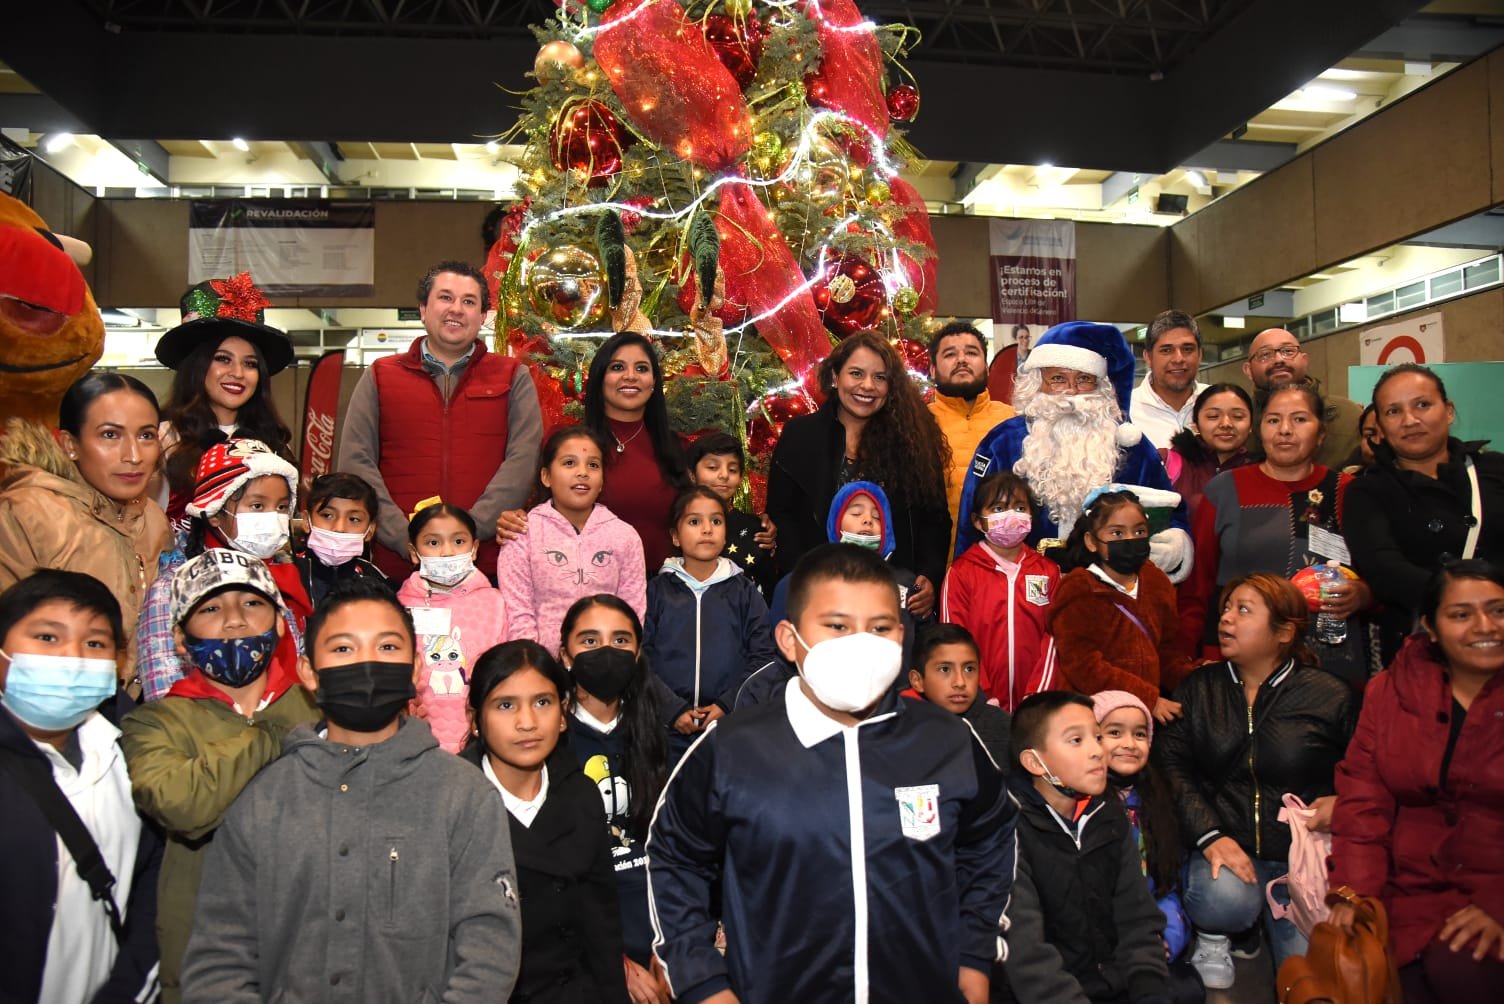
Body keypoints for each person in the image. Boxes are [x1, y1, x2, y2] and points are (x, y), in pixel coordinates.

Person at [648, 543, 1016, 1004]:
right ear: (788, 639)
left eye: (880, 627)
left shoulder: (946, 740)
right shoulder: (733, 747)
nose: (860, 644)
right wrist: (701, 979)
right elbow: (675, 855)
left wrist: (973, 955)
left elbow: (992, 837)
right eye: (837, 626)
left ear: (901, 637)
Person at [180, 577, 522, 1001]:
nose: (367, 663)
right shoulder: (265, 799)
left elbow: (488, 953)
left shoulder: (463, 794)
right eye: (343, 649)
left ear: (416, 668)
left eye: (388, 648)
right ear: (309, 671)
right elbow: (220, 959)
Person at [120, 549, 319, 1003]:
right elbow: (184, 804)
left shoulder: (320, 705)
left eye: (252, 604)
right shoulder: (156, 722)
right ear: (178, 639)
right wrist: (275, 733)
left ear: (278, 622)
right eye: (210, 609)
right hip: (205, 959)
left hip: (315, 954)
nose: (234, 621)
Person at [1157, 572, 1356, 989]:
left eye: (1243, 610)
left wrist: (1345, 801)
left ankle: (1262, 926)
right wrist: (1209, 835)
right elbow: (1172, 768)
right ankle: (1218, 934)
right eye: (1226, 608)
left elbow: (1368, 769)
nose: (1226, 619)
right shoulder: (1198, 688)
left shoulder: (1330, 695)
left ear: (1284, 632)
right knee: (1225, 901)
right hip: (1227, 851)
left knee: (1306, 984)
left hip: (1301, 861)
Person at [1328, 560, 1504, 1003]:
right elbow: (1363, 798)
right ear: (1431, 626)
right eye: (1461, 615)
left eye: (1499, 610)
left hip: (1493, 886)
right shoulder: (1391, 690)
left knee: (1462, 971)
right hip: (1409, 890)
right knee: (1375, 976)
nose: (1485, 626)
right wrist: (1355, 894)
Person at [0, 570, 162, 1004]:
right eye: (47, 638)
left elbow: (154, 883)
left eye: (94, 643)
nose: (72, 658)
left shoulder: (132, 753)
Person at [338, 259, 543, 578]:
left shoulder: (513, 376)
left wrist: (467, 533)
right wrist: (404, 535)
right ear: (423, 308)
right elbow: (356, 460)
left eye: (469, 301)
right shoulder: (381, 375)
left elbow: (524, 459)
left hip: (487, 563)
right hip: (398, 563)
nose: (457, 309)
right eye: (445, 297)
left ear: (483, 317)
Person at [955, 321, 1191, 584]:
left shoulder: (1130, 446)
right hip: (1016, 594)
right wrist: (968, 583)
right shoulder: (1001, 443)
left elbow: (1170, 509)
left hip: (1109, 595)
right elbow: (971, 521)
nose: (1071, 391)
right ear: (1037, 383)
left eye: (1084, 379)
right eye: (1057, 379)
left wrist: (1174, 543)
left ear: (1101, 386)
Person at [460, 639, 630, 1004]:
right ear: (475, 720)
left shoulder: (582, 793)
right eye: (506, 705)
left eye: (543, 702)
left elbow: (601, 925)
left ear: (564, 712)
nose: (528, 722)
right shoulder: (452, 802)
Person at [1179, 383, 1374, 687]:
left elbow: (1375, 572)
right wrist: (1187, 659)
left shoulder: (1347, 491)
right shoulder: (1225, 490)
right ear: (1260, 429)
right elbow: (1198, 586)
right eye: (1273, 420)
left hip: (1329, 662)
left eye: (1299, 419)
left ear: (1321, 433)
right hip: (1237, 660)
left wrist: (1363, 594)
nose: (1284, 430)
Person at [0, 373, 172, 684]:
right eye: (110, 435)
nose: (133, 456)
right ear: (70, 444)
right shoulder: (24, 513)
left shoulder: (154, 519)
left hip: (130, 708)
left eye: (146, 435)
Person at [1003, 691, 1173, 1004]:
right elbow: (1027, 956)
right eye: (1076, 740)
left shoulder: (1109, 818)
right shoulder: (1008, 831)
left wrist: (1150, 991)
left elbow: (1137, 921)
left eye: (1097, 736)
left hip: (1112, 984)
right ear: (1033, 761)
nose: (1098, 751)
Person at [767, 330, 951, 616]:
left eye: (880, 377)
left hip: (891, 597)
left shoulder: (914, 441)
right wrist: (803, 576)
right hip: (815, 594)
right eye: (856, 373)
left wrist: (929, 574)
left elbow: (934, 519)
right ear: (834, 377)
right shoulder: (799, 436)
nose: (867, 386)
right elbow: (782, 515)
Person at [1345, 363, 1504, 661]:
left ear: (1449, 410)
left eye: (1423, 404)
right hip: (1420, 646)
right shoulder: (1367, 491)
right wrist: (1462, 605)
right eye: (1393, 411)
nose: (1410, 420)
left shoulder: (1495, 470)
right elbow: (1384, 569)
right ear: (1379, 426)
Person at [496, 332, 690, 574]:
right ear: (600, 378)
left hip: (662, 593)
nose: (630, 376)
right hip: (584, 591)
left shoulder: (677, 448)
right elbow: (542, 509)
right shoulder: (568, 444)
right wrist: (515, 520)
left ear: (653, 383)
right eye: (617, 367)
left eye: (641, 368)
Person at [558, 594, 670, 1003]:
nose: (606, 651)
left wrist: (674, 948)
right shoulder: (546, 747)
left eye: (621, 640)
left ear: (639, 654)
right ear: (565, 654)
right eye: (589, 640)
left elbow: (684, 858)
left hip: (661, 938)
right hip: (582, 949)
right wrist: (615, 961)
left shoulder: (663, 739)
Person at [136, 439, 308, 701]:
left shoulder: (281, 580)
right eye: (257, 506)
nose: (273, 518)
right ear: (214, 512)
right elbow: (165, 696)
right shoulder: (172, 591)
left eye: (282, 507)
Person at [151, 272, 295, 536]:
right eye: (223, 359)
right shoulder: (162, 438)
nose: (238, 373)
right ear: (197, 365)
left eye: (250, 364)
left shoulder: (274, 443)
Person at [643, 486, 776, 759]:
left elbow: (763, 656)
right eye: (694, 521)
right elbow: (639, 655)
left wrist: (728, 704)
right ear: (675, 536)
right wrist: (672, 709)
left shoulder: (744, 591)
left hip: (729, 728)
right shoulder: (655, 591)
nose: (707, 529)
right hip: (666, 730)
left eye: (716, 521)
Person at [1091, 689, 1203, 1002]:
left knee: (1188, 991)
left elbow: (1168, 887)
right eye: (1114, 732)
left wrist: (1166, 935)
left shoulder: (1159, 800)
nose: (1129, 743)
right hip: (1098, 940)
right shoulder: (1079, 806)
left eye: (1139, 734)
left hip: (1145, 930)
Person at [1048, 488, 1192, 722]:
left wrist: (1193, 680)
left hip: (1147, 719)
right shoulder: (1079, 588)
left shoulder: (1156, 581)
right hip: (1093, 715)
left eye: (1139, 531)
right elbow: (1082, 664)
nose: (1130, 539)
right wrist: (1147, 698)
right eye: (1117, 533)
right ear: (1092, 542)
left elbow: (1167, 648)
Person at [497, 426, 647, 649]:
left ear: (603, 480)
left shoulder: (625, 536)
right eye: (569, 463)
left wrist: (616, 657)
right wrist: (532, 664)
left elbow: (632, 609)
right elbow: (518, 611)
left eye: (593, 465)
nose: (582, 472)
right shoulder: (522, 533)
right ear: (546, 477)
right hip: (543, 666)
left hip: (607, 662)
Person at [396, 499, 508, 754]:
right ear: (414, 552)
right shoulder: (397, 608)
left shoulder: (496, 603)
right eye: (433, 543)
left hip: (482, 739)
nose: (447, 552)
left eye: (458, 542)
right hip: (416, 740)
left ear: (475, 548)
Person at [940, 470, 1058, 712]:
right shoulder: (961, 573)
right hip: (980, 704)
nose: (1011, 515)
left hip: (1037, 706)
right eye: (997, 508)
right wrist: (982, 696)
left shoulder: (1048, 572)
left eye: (1019, 507)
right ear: (976, 520)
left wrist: (1038, 695)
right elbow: (953, 638)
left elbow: (1055, 638)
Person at [927, 321, 1015, 554]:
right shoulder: (916, 423)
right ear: (933, 370)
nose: (962, 359)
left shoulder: (1012, 421)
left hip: (1003, 563)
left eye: (971, 352)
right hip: (936, 567)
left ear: (986, 367)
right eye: (950, 354)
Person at [1241, 327, 1363, 470]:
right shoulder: (1239, 422)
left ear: (1305, 360)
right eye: (1265, 354)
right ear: (1248, 370)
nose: (1279, 359)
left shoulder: (1349, 415)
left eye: (1288, 351)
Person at [903, 621, 1011, 767]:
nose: (960, 682)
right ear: (917, 680)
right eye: (945, 670)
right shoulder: (899, 730)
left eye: (969, 669)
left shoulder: (1003, 726)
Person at [685, 431, 777, 598]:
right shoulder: (681, 524)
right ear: (692, 475)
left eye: (732, 469)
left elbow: (768, 589)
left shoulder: (756, 529)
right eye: (712, 467)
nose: (724, 475)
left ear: (741, 477)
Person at [1163, 383, 1256, 525]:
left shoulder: (1261, 469)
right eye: (1213, 416)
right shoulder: (1167, 463)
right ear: (1195, 423)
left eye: (1237, 416)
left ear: (1251, 425)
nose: (1226, 424)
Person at [291, 471, 386, 607]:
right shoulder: (287, 576)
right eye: (327, 515)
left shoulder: (377, 584)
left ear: (370, 530)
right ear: (306, 521)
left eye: (353, 519)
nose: (339, 528)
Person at [1130, 309, 1210, 453]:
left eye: (1187, 349)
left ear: (1200, 355)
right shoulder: (1125, 411)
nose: (1178, 359)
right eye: (1166, 350)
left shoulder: (1218, 402)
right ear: (1148, 357)